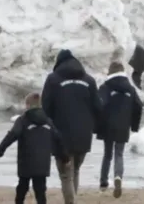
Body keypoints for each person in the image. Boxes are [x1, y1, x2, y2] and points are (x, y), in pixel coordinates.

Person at [41, 49, 102, 204]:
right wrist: (92, 126)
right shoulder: (89, 81)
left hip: (60, 134)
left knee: (66, 174)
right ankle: (72, 199)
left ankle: (70, 202)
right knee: (75, 170)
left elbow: (45, 107)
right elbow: (98, 107)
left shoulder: (53, 80)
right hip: (83, 135)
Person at [0, 92, 68, 204]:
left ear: (27, 105)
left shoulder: (23, 120)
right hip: (43, 162)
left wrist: (1, 150)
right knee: (40, 190)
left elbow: (13, 134)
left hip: (26, 161)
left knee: (22, 187)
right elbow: (58, 138)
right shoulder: (48, 121)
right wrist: (64, 157)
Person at [96, 62, 143, 198]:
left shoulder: (105, 87)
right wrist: (134, 126)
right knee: (119, 154)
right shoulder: (130, 89)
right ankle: (118, 177)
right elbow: (138, 106)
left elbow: (100, 105)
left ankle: (104, 182)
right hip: (123, 125)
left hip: (108, 125)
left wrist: (97, 124)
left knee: (107, 154)